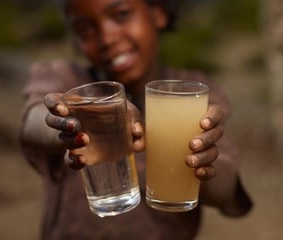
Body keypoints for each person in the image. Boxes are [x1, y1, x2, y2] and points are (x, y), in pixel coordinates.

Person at [20, 0, 253, 239]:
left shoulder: (194, 93)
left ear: (159, 13)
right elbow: (33, 121)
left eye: (120, 15)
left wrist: (202, 165)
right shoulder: (64, 78)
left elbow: (227, 185)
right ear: (76, 42)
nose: (106, 38)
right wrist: (70, 121)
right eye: (85, 30)